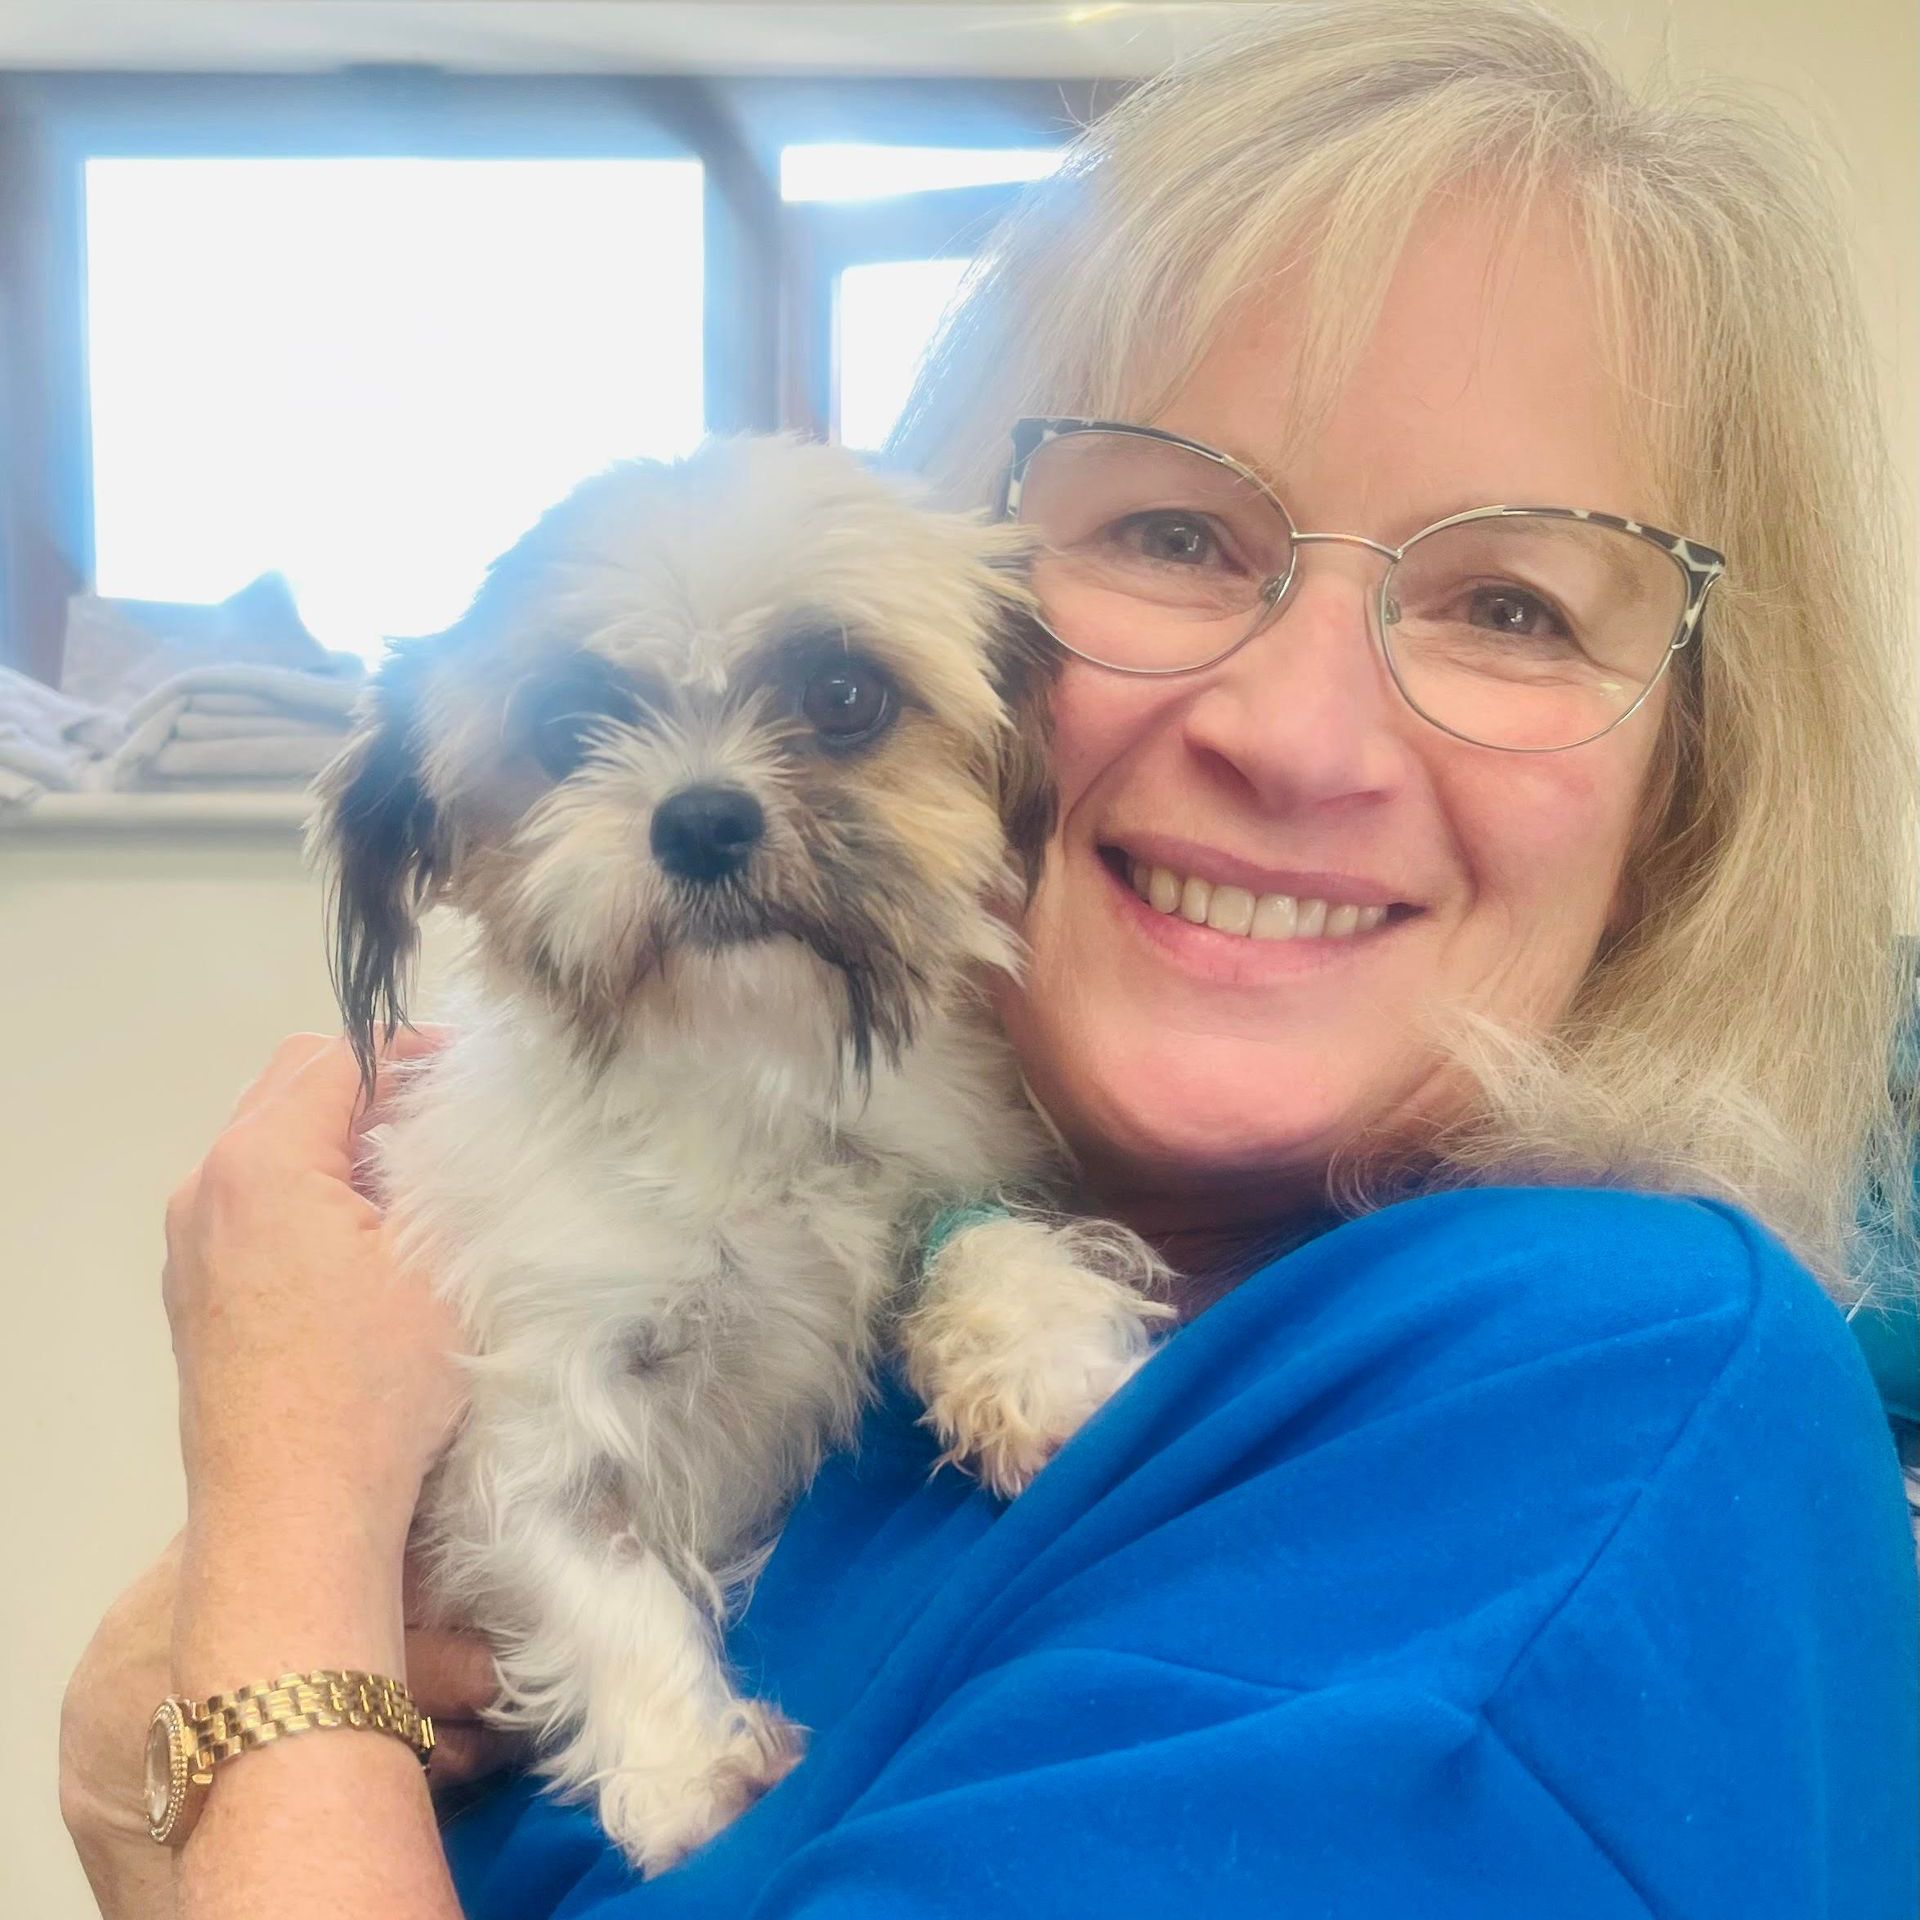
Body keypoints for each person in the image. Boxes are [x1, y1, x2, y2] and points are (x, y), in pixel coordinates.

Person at [57, 3, 1920, 1915]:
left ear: (1692, 787)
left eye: (1511, 606)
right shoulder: (881, 1330)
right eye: (1178, 531)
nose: (1297, 735)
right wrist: (189, 1753)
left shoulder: (1591, 1402)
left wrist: (270, 1590)